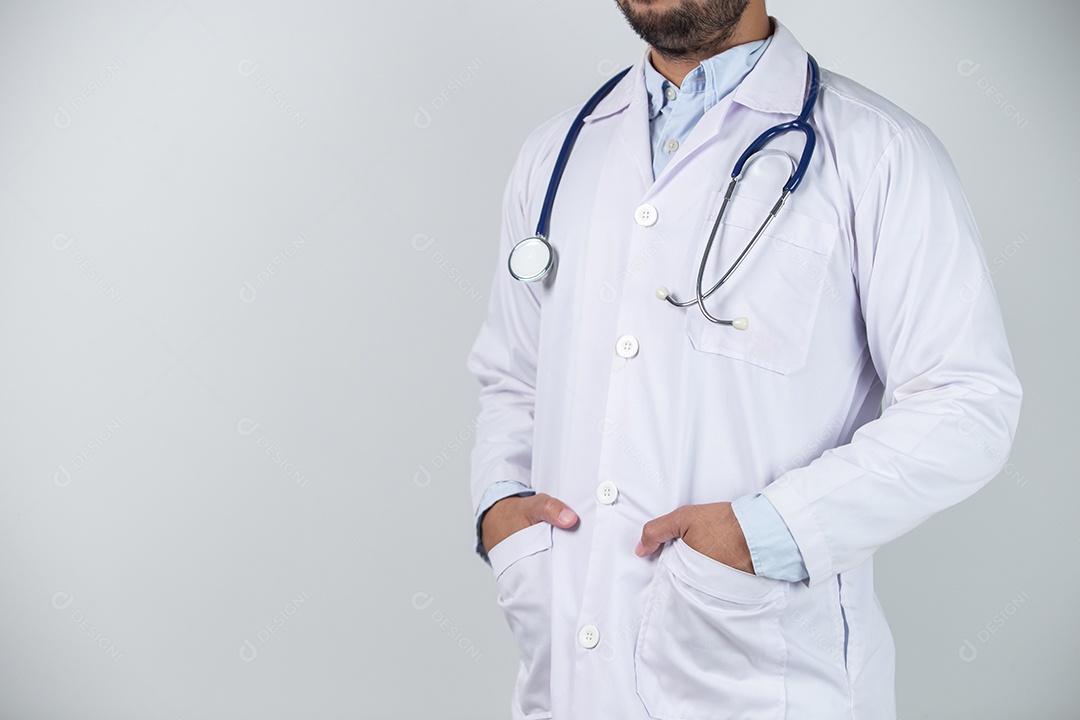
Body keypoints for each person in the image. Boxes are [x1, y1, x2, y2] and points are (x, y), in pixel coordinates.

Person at [465, 0, 1022, 717]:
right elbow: (513, 377)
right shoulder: (555, 154)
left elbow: (966, 403)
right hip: (569, 667)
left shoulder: (878, 151)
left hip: (767, 669)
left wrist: (767, 533)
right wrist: (499, 508)